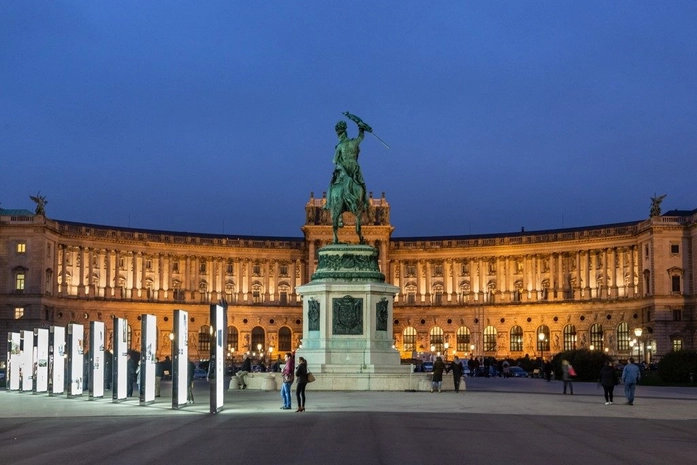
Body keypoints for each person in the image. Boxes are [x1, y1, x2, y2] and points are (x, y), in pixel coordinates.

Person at [325, 114, 372, 244]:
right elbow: (361, 137)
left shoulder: (340, 146)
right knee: (361, 184)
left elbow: (334, 160)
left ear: (340, 135)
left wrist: (342, 169)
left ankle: (328, 204)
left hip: (343, 169)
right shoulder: (354, 142)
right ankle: (365, 202)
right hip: (354, 167)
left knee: (332, 186)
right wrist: (361, 127)